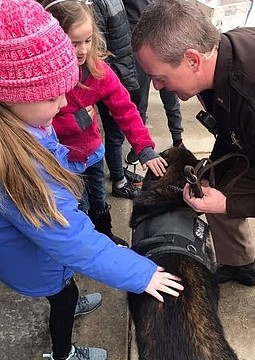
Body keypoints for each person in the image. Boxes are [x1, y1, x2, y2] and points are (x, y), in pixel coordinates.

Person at [0, 2, 183, 360]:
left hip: (45, 248)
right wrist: (141, 274)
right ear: (12, 96)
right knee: (62, 295)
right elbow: (71, 239)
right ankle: (64, 353)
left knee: (68, 275)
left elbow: (61, 154)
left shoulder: (28, 126)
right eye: (53, 96)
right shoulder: (22, 170)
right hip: (38, 262)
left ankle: (67, 286)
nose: (63, 103)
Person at [132, 0, 255, 334]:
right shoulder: (222, 58)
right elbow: (232, 129)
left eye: (159, 77)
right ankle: (240, 264)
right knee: (208, 186)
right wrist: (218, 187)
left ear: (192, 59)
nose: (156, 86)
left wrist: (231, 205)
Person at [40, 0, 167, 246]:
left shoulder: (98, 70)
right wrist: (76, 120)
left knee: (98, 198)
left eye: (88, 40)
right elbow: (35, 126)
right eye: (74, 43)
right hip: (63, 160)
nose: (83, 50)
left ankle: (105, 234)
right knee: (79, 204)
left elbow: (125, 109)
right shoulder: (44, 79)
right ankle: (87, 245)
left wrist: (144, 147)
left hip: (93, 153)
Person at [122, 0, 185, 166]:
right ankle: (141, 147)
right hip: (138, 50)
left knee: (171, 97)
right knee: (139, 102)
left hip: (165, 44)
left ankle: (178, 139)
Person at [92, 0, 143, 199]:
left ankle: (117, 171)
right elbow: (101, 51)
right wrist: (114, 84)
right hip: (115, 76)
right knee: (114, 133)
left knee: (118, 133)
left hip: (124, 69)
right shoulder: (95, 4)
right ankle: (119, 184)